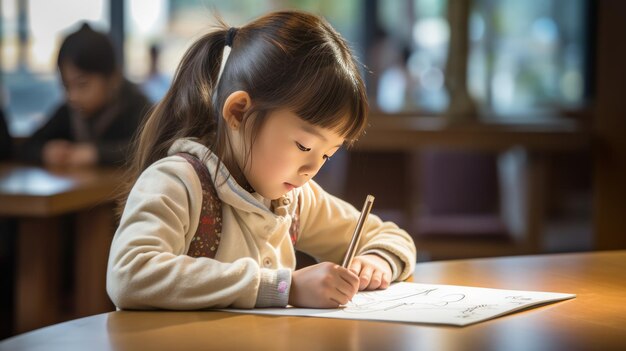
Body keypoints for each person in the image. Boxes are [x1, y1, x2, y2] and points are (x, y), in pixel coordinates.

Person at [107, 11, 416, 310]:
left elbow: (389, 236)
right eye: (303, 146)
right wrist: (284, 287)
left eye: (327, 155)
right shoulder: (179, 183)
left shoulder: (293, 199)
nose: (312, 170)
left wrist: (376, 262)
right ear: (238, 112)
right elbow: (130, 274)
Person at [16, 23, 151, 167]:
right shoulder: (69, 111)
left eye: (82, 84)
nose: (72, 96)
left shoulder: (137, 106)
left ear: (113, 78)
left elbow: (149, 148)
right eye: (66, 86)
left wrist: (96, 154)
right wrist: (45, 151)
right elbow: (26, 147)